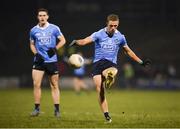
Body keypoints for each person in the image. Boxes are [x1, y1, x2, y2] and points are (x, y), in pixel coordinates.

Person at [69, 14, 151, 122]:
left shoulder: (120, 37)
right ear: (107, 24)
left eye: (115, 26)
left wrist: (141, 62)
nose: (113, 28)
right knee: (100, 90)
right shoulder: (99, 34)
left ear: (118, 25)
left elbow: (128, 51)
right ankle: (107, 115)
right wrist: (76, 42)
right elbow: (85, 41)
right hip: (97, 64)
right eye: (111, 25)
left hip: (110, 63)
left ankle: (109, 76)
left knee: (112, 70)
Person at [29, 8, 66, 117]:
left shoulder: (54, 28)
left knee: (54, 85)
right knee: (36, 84)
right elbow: (31, 44)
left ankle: (57, 110)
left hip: (51, 61)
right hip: (39, 61)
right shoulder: (33, 30)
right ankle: (36, 109)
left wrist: (55, 49)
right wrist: (36, 54)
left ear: (47, 17)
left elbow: (63, 40)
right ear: (38, 17)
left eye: (44, 15)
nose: (42, 17)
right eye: (40, 15)